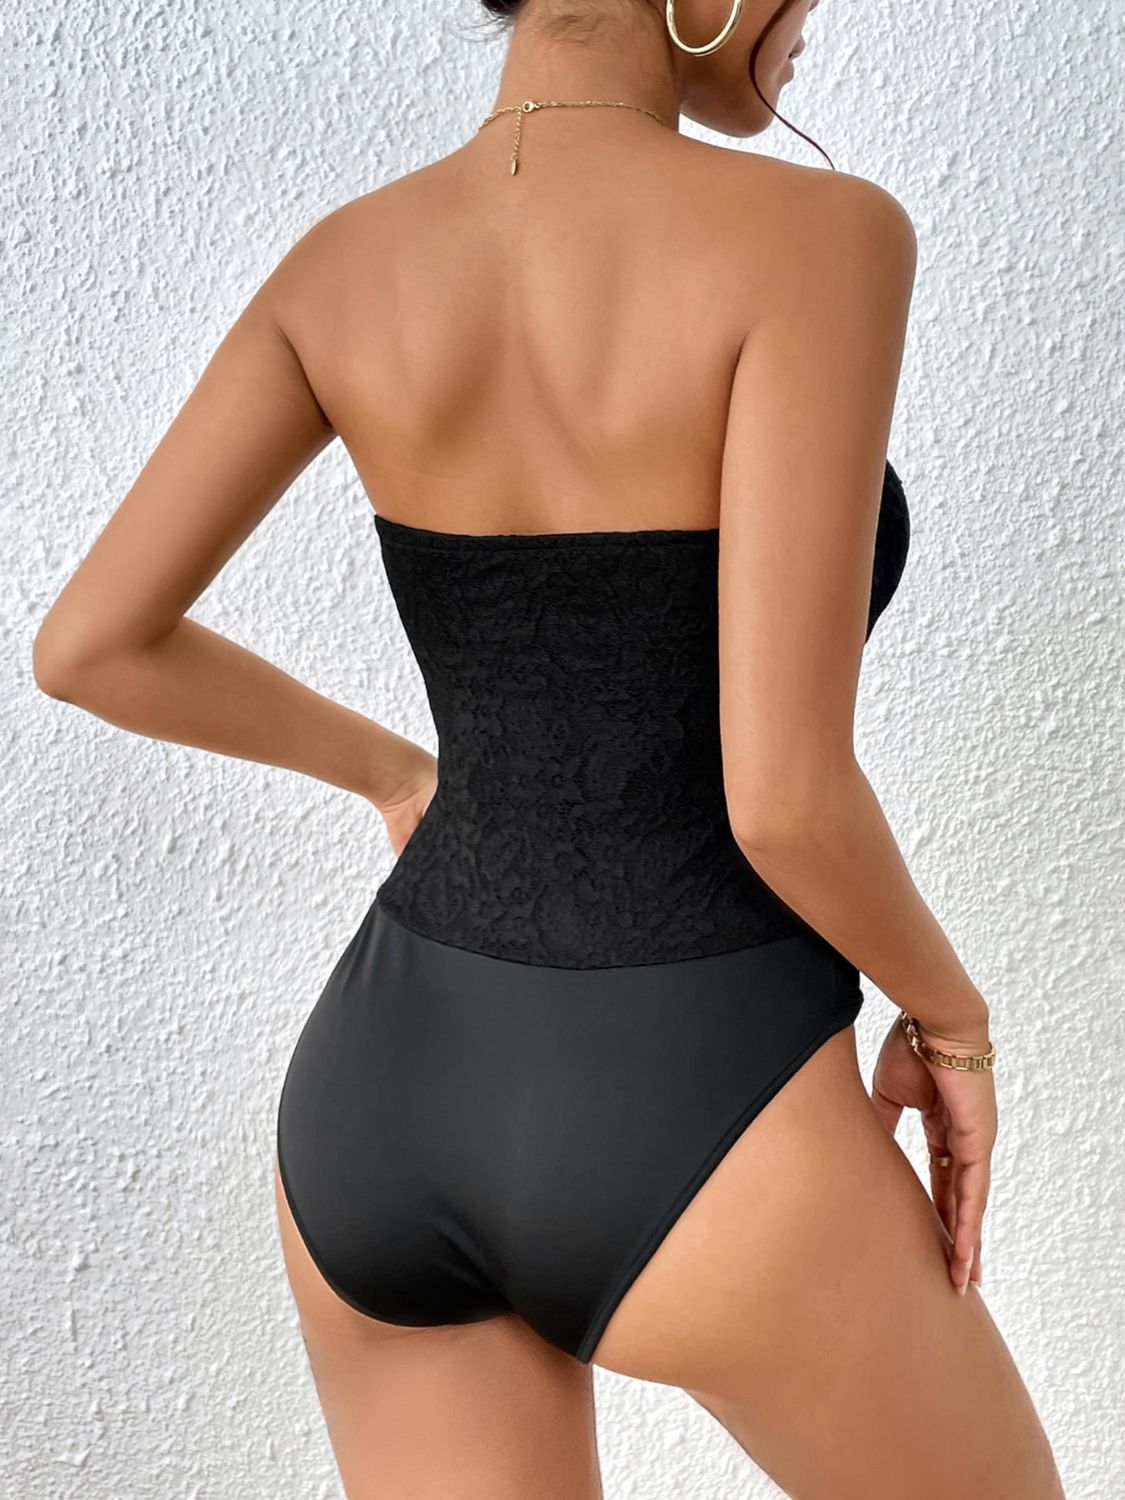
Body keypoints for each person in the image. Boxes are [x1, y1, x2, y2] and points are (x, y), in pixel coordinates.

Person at [32, 0, 1067, 1495]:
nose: (811, 16)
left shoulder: (341, 263)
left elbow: (91, 646)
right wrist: (950, 1023)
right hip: (694, 1089)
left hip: (376, 1104)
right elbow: (781, 797)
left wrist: (397, 774)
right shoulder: (822, 236)